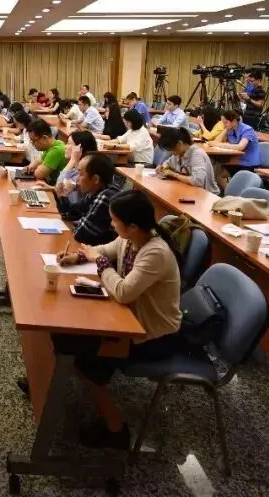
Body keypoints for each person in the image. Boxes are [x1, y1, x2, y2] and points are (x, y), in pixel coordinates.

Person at [52, 189, 184, 448]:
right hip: (131, 319)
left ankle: (115, 430)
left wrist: (101, 264)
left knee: (85, 356)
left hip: (155, 335)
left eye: (114, 220)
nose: (111, 225)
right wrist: (78, 256)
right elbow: (103, 249)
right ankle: (49, 378)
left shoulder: (155, 253)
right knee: (69, 335)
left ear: (132, 225)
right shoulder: (131, 239)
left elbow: (123, 292)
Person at [59, 153, 122, 246]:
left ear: (96, 179)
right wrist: (63, 194)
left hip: (103, 252)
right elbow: (69, 213)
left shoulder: (106, 196)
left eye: (80, 174)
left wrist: (79, 223)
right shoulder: (96, 191)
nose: (77, 179)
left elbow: (81, 235)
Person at [156, 127, 220, 195]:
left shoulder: (197, 154)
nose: (171, 152)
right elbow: (168, 163)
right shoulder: (179, 153)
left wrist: (174, 174)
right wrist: (161, 167)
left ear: (179, 144)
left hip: (206, 195)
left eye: (171, 149)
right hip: (190, 191)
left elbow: (197, 181)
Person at [48, 130, 99, 203]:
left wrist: (73, 160)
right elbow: (61, 186)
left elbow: (61, 187)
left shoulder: (85, 170)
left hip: (73, 208)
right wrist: (51, 188)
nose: (65, 147)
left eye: (68, 143)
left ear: (79, 148)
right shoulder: (75, 167)